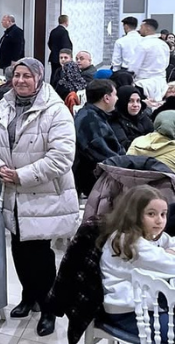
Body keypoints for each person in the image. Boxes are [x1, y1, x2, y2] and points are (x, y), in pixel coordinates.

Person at [0, 58, 78, 336]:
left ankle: (49, 307)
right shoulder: (5, 104)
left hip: (43, 195)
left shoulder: (55, 110)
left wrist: (22, 175)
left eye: (27, 76)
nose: (20, 80)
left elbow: (62, 157)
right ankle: (29, 296)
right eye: (17, 75)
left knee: (40, 255)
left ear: (39, 78)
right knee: (18, 249)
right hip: (13, 193)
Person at [98, 185, 175, 342]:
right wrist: (168, 255)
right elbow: (170, 265)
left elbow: (170, 243)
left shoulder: (151, 235)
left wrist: (169, 251)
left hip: (146, 304)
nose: (160, 220)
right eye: (151, 214)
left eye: (163, 214)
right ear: (133, 215)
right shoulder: (128, 241)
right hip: (127, 311)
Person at [74, 79, 124, 196]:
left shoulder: (92, 115)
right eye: (115, 95)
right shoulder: (90, 121)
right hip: (95, 184)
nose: (117, 99)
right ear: (106, 98)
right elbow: (105, 156)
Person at [134, 18, 171, 102]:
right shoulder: (164, 44)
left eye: (141, 27)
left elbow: (134, 66)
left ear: (147, 28)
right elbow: (166, 64)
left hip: (143, 83)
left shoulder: (143, 45)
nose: (139, 29)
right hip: (161, 83)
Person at [110, 85, 154, 151]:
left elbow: (154, 135)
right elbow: (124, 145)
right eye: (131, 101)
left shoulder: (142, 116)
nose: (135, 105)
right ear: (122, 102)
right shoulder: (114, 120)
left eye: (138, 101)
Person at [48, 15, 73, 85]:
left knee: (54, 74)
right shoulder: (64, 32)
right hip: (62, 58)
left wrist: (54, 51)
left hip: (53, 57)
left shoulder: (53, 31)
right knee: (61, 75)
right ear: (66, 22)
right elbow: (66, 46)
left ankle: (52, 87)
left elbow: (49, 43)